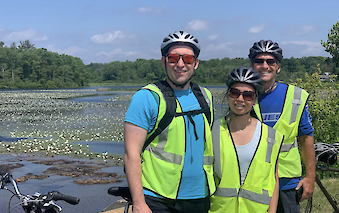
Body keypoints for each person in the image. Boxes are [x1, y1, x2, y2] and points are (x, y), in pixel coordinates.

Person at [124, 31, 216, 213]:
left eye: (188, 59)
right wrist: (139, 203)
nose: (180, 64)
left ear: (196, 63)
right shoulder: (147, 97)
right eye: (173, 58)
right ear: (163, 61)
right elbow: (130, 154)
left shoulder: (205, 97)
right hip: (158, 197)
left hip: (200, 195)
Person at [249, 40, 316, 213]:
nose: (265, 66)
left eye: (270, 61)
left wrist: (310, 177)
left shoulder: (296, 96)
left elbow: (306, 137)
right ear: (252, 65)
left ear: (278, 67)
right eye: (259, 61)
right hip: (254, 180)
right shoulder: (241, 96)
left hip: (288, 182)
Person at [209, 66, 283, 213]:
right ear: (228, 95)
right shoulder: (212, 131)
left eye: (247, 95)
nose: (240, 99)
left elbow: (273, 179)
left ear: (255, 99)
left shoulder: (270, 136)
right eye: (235, 93)